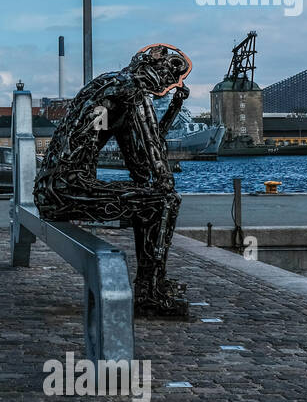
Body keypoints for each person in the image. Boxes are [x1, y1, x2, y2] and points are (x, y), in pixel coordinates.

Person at [34, 43, 192, 317]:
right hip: (68, 190)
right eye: (172, 76)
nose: (172, 84)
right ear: (154, 68)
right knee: (163, 203)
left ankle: (151, 288)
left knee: (153, 199)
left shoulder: (111, 85)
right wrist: (165, 183)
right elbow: (153, 161)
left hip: (52, 189)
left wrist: (173, 109)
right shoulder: (132, 91)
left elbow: (141, 151)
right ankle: (150, 293)